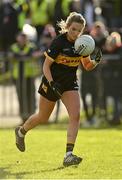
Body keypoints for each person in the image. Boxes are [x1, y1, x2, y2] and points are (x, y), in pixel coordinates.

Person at [15, 12, 102, 167]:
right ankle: (21, 132)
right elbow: (45, 66)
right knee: (43, 117)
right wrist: (52, 83)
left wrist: (95, 61)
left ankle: (68, 155)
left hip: (69, 84)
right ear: (67, 27)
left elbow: (86, 66)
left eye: (79, 30)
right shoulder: (58, 42)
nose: (76, 33)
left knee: (75, 116)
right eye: (73, 29)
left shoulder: (82, 43)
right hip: (52, 82)